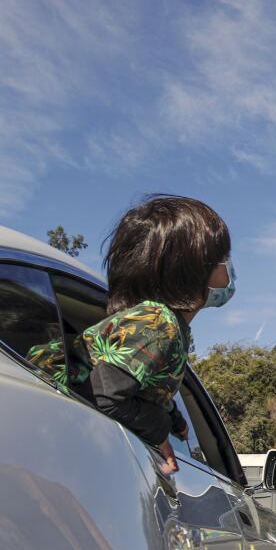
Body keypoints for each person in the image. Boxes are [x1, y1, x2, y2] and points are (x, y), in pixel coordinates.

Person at [83, 195, 235, 475]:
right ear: (190, 268)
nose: (229, 266)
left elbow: (148, 389)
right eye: (222, 258)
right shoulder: (157, 325)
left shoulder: (164, 326)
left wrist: (176, 421)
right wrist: (160, 431)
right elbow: (104, 395)